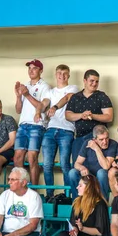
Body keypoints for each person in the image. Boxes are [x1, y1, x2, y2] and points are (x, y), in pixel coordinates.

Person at [42, 64, 80, 198]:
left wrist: (54, 107)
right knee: (47, 165)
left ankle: (67, 195)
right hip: (50, 130)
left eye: (65, 73)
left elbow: (67, 97)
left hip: (66, 130)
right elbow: (44, 103)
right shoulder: (50, 92)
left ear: (68, 75)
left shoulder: (73, 88)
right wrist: (38, 110)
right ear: (55, 74)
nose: (62, 76)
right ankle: (50, 196)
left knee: (65, 164)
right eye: (59, 73)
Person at [13, 59, 51, 185]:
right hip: (23, 125)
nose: (31, 70)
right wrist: (19, 96)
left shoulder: (45, 86)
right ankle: (20, 187)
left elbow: (43, 106)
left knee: (32, 157)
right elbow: (18, 110)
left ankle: (33, 191)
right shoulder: (25, 85)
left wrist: (27, 95)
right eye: (29, 68)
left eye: (34, 68)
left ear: (41, 70)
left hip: (37, 126)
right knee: (17, 157)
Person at [65, 69, 114, 163]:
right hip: (79, 137)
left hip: (96, 138)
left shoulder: (102, 96)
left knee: (94, 167)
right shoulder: (75, 97)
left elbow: (109, 117)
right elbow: (68, 115)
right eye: (92, 81)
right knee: (77, 166)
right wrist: (81, 115)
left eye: (97, 81)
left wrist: (92, 116)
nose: (94, 84)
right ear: (84, 81)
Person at [68, 125, 118, 199]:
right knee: (72, 173)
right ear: (94, 139)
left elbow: (106, 166)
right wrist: (82, 168)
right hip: (89, 176)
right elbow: (77, 163)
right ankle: (77, 203)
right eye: (101, 139)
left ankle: (102, 204)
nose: (105, 142)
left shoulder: (113, 144)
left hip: (103, 178)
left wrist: (96, 148)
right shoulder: (87, 143)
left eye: (107, 138)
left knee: (101, 172)